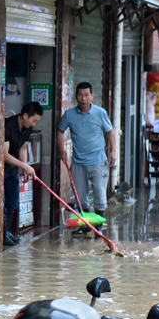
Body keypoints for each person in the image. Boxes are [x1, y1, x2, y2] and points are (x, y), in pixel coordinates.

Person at [56, 82, 116, 234]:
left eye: (86, 95)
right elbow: (60, 131)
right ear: (76, 96)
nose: (83, 99)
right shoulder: (69, 114)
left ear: (92, 96)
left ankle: (98, 226)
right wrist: (62, 150)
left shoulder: (100, 113)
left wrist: (113, 151)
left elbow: (110, 132)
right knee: (80, 196)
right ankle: (85, 226)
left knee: (99, 195)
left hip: (98, 161)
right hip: (78, 162)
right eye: (80, 95)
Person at [3, 101, 43, 246]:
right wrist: (23, 166)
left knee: (12, 201)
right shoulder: (8, 126)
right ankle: (2, 234)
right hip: (1, 167)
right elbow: (3, 154)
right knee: (3, 203)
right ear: (25, 115)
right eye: (33, 120)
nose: (33, 123)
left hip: (13, 168)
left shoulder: (27, 129)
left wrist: (24, 167)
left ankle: (7, 231)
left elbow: (23, 148)